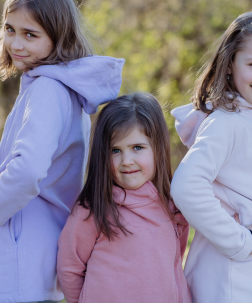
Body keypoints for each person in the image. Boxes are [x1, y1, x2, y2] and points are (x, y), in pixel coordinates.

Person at [0, 0, 124, 303]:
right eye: (10, 29)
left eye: (31, 34)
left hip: (19, 240)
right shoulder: (65, 90)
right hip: (39, 238)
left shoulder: (47, 90)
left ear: (59, 39)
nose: (16, 43)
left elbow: (28, 171)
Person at [170, 11, 252, 302]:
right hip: (236, 280)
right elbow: (186, 187)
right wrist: (241, 241)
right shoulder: (228, 123)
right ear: (229, 64)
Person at [57, 93, 192, 303]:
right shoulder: (94, 208)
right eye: (115, 150)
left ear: (158, 148)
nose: (126, 161)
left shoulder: (174, 205)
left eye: (137, 148)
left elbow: (174, 262)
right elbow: (69, 266)